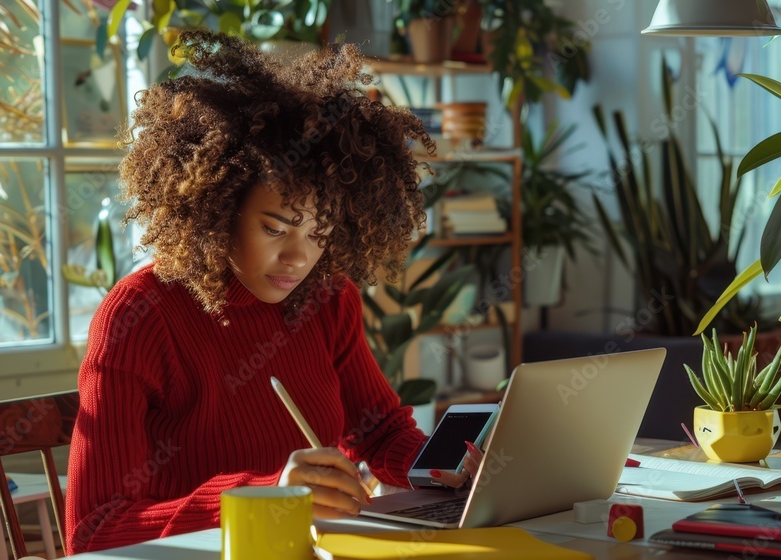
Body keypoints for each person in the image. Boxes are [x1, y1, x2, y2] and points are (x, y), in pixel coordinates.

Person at [64, 30, 478, 554]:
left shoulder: (328, 297)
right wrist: (267, 497)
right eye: (276, 228)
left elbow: (379, 433)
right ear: (218, 207)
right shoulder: (141, 314)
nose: (299, 259)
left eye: (319, 233)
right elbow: (93, 531)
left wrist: (449, 467)